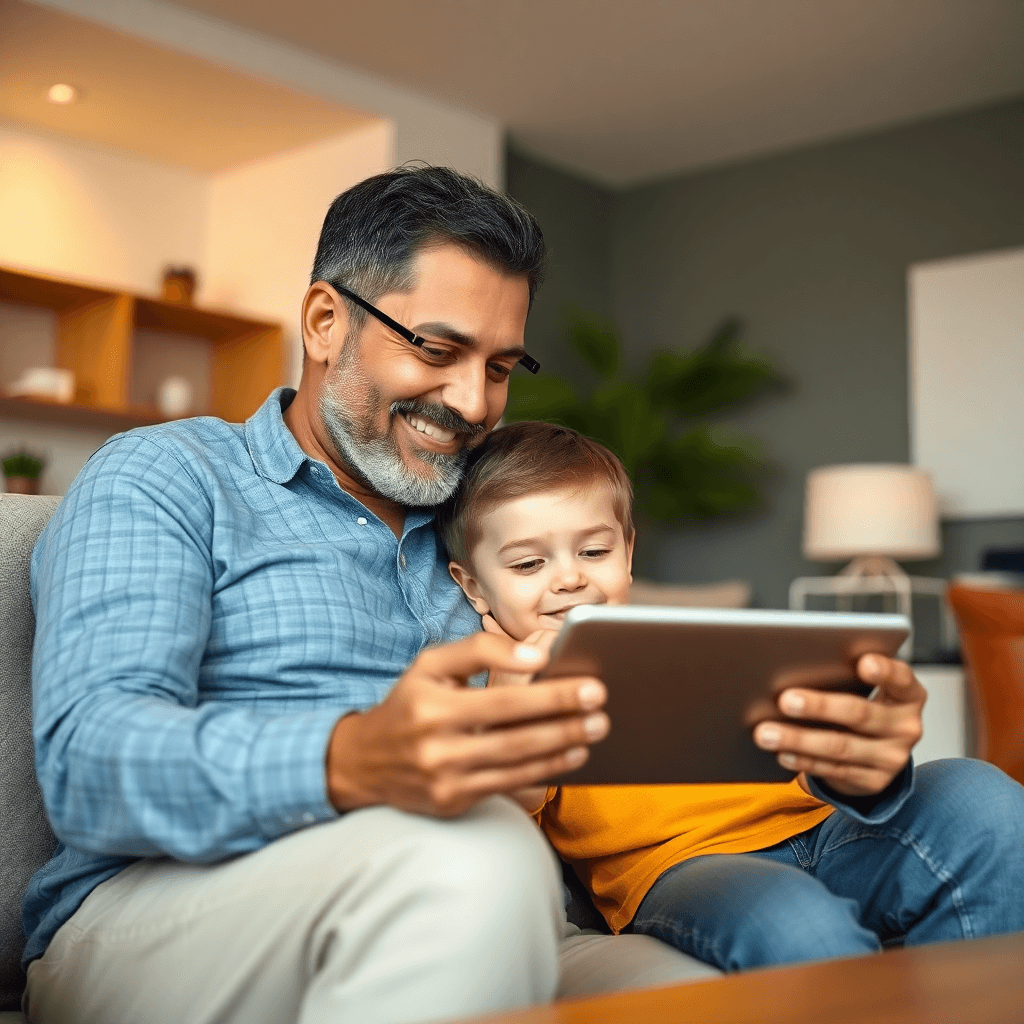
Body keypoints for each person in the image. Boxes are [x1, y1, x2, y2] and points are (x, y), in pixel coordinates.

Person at [22, 166, 712, 1024]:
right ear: (323, 322)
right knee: (476, 863)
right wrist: (348, 759)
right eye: (436, 348)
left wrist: (832, 769)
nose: (472, 401)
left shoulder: (492, 534)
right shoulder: (170, 475)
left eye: (499, 366)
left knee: (717, 996)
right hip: (169, 906)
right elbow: (92, 764)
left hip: (497, 902)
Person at [438, 419, 1024, 972]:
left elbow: (804, 756)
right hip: (685, 868)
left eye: (594, 552)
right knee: (799, 922)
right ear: (474, 586)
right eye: (529, 563)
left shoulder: (696, 641)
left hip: (825, 828)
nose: (569, 578)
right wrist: (515, 716)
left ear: (629, 553)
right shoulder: (502, 687)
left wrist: (844, 739)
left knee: (983, 798)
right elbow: (508, 818)